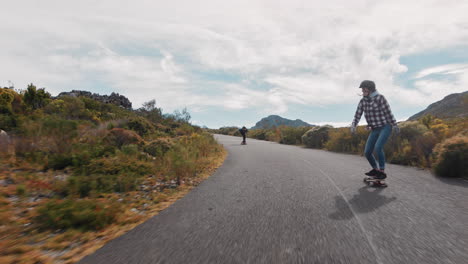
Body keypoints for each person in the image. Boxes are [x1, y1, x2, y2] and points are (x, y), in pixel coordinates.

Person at [350, 80, 399, 179]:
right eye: (362, 89)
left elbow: (388, 113)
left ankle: (381, 171)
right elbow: (357, 114)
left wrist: (394, 124)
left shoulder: (380, 98)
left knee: (378, 147)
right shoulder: (363, 101)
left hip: (385, 126)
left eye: (364, 88)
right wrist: (354, 125)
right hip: (374, 129)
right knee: (367, 152)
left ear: (371, 89)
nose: (362, 90)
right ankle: (375, 170)